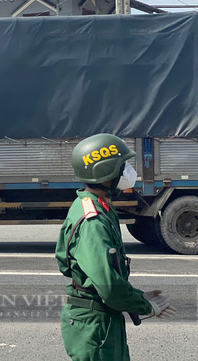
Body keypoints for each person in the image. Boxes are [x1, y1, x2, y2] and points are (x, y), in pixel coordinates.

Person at [56, 133, 176, 360]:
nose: (128, 171)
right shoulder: (94, 222)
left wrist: (133, 297)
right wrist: (144, 306)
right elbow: (108, 287)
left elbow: (107, 279)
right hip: (96, 324)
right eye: (122, 166)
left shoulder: (94, 206)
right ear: (105, 173)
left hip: (100, 318)